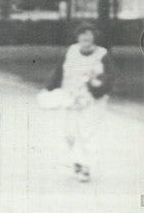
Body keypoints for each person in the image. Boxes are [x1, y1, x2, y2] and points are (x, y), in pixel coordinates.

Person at [45, 22, 113, 182]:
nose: (86, 38)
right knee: (68, 133)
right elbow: (58, 71)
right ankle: (77, 161)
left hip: (92, 101)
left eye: (89, 35)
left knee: (87, 133)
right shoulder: (70, 51)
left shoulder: (102, 54)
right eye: (83, 35)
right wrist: (49, 89)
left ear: (94, 38)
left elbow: (110, 78)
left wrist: (96, 88)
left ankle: (86, 167)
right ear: (78, 37)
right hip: (70, 99)